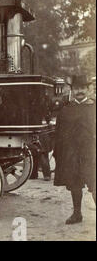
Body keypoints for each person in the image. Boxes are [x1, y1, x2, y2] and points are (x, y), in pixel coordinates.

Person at [53, 74, 96, 225]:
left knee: (94, 183)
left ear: (88, 89)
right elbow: (59, 133)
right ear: (72, 89)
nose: (80, 91)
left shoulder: (94, 107)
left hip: (91, 154)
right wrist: (58, 153)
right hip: (72, 154)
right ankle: (77, 214)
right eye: (77, 88)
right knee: (75, 184)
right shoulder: (66, 109)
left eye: (83, 88)